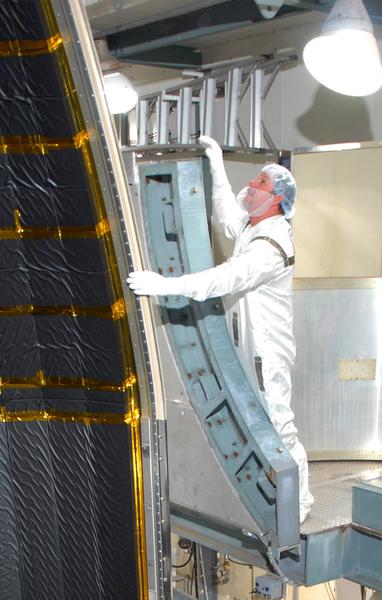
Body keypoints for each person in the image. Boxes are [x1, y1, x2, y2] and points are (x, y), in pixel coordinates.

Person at [127, 137, 314, 524]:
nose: (254, 186)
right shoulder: (254, 224)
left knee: (278, 422)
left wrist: (165, 285)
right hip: (248, 344)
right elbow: (227, 215)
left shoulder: (271, 245)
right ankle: (278, 495)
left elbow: (225, 279)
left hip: (268, 349)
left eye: (261, 183)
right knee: (260, 419)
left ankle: (301, 501)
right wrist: (215, 165)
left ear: (277, 197)